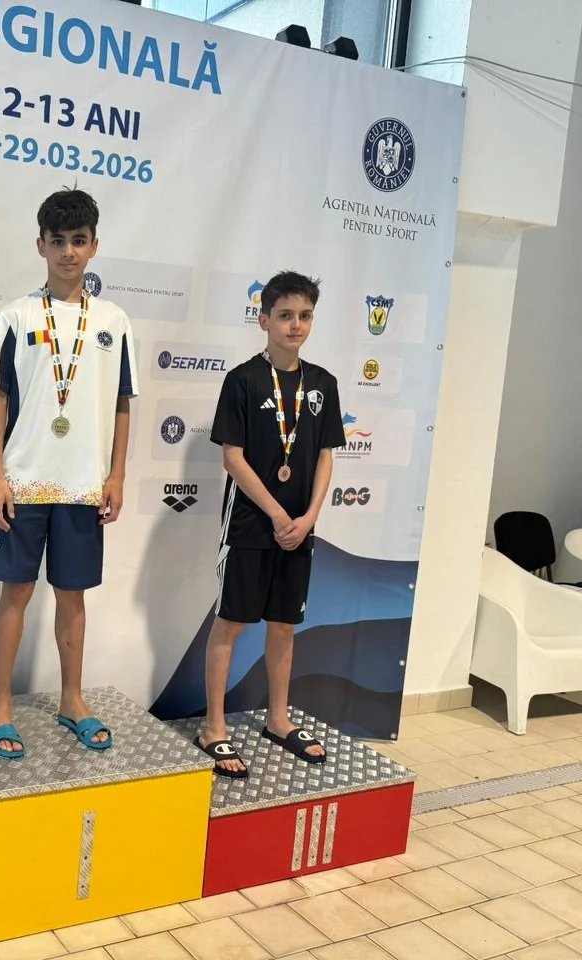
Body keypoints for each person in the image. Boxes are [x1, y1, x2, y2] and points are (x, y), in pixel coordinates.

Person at [0, 189, 138, 759]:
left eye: (78, 240)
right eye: (58, 240)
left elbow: (122, 402)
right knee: (15, 594)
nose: (68, 251)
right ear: (40, 245)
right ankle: (0, 703)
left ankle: (73, 699)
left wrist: (117, 475)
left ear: (94, 245)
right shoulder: (16, 316)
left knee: (73, 598)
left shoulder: (114, 321)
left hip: (84, 486)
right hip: (23, 482)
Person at [194, 271, 345, 778]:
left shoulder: (323, 384)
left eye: (304, 316)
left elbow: (325, 455)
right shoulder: (243, 380)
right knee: (231, 622)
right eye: (284, 315)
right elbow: (232, 458)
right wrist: (278, 515)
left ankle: (278, 719)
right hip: (250, 525)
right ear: (263, 320)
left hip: (300, 527)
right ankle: (214, 727)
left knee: (284, 624)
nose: (295, 325)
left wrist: (310, 517)